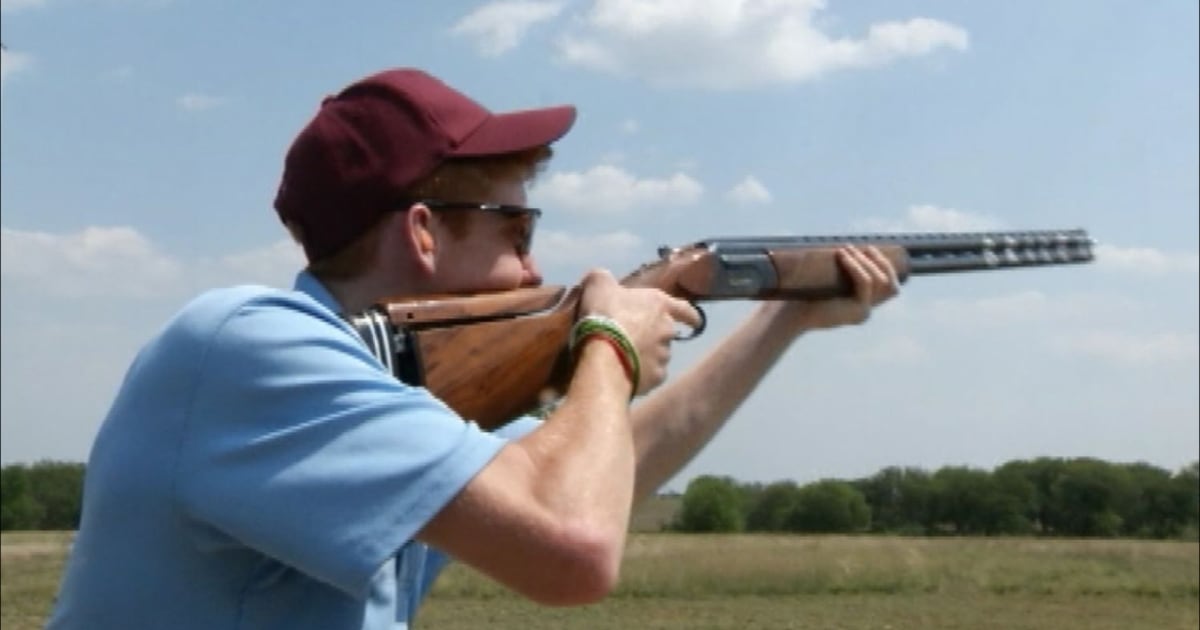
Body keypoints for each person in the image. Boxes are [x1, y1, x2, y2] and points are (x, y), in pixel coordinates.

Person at [46, 67, 899, 629]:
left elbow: (601, 470)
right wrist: (607, 345)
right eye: (517, 225)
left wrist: (781, 321)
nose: (535, 262)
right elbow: (571, 549)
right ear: (422, 232)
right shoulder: (246, 342)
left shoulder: (384, 399)